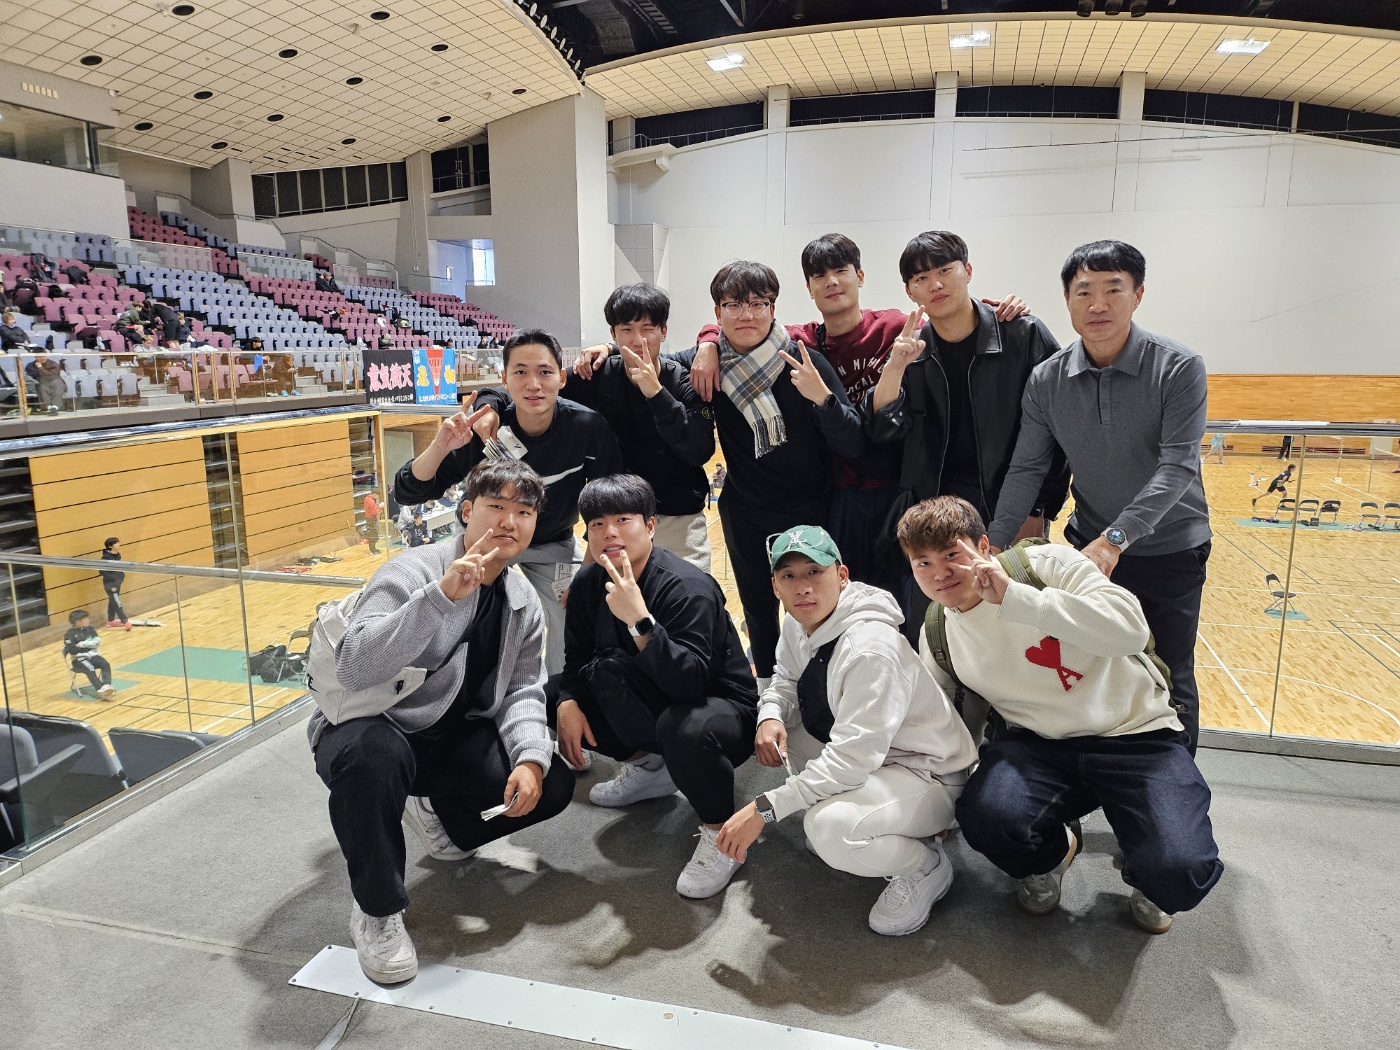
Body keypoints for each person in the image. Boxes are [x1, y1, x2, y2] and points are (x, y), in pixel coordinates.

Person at [901, 495, 1223, 934]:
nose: (940, 573)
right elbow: (952, 725)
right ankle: (1054, 854)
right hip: (1038, 746)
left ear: (983, 546)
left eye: (951, 555)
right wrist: (939, 799)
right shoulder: (937, 630)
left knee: (1179, 869)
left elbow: (1131, 629)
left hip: (1136, 734)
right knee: (985, 819)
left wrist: (1017, 598)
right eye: (923, 563)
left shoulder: (1044, 564)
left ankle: (1151, 875)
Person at [309, 459, 576, 985]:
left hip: (449, 735)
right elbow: (356, 665)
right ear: (466, 511)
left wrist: (529, 759)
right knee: (375, 760)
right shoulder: (411, 571)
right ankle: (377, 911)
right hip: (374, 726)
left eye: (524, 512)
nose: (510, 521)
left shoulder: (522, 599)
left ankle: (438, 814)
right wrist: (439, 599)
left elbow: (523, 688)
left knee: (553, 782)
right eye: (496, 506)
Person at [988, 240, 1212, 752]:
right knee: (1096, 668)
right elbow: (1027, 467)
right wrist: (994, 542)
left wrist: (1116, 539)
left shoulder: (1178, 367)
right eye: (1084, 291)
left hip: (1169, 550)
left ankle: (1174, 780)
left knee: (1169, 672)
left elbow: (1178, 466)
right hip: (1089, 551)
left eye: (1114, 289)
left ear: (1138, 295)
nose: (1098, 305)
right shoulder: (1047, 379)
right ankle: (1103, 777)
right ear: (1067, 299)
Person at [715, 525, 977, 935]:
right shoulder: (801, 619)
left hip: (927, 773)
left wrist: (765, 807)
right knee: (788, 728)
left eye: (814, 571)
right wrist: (770, 715)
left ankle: (925, 866)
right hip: (876, 758)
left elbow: (850, 760)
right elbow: (785, 678)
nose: (803, 587)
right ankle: (878, 820)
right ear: (775, 586)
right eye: (789, 576)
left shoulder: (870, 648)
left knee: (829, 830)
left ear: (841, 576)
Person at [554, 475, 758, 898]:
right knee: (553, 696)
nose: (609, 533)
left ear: (649, 526)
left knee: (684, 728)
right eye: (596, 524)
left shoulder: (688, 587)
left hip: (721, 710)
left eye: (622, 520)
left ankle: (721, 835)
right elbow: (576, 659)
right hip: (652, 696)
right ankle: (652, 770)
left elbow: (689, 684)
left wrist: (639, 620)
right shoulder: (589, 583)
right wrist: (569, 700)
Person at [866, 230, 1070, 640]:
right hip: (937, 510)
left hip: (1009, 502)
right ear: (909, 291)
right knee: (940, 625)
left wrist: (1038, 509)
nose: (936, 284)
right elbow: (884, 429)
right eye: (921, 278)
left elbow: (1057, 430)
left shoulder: (1023, 334)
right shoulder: (913, 350)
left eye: (945, 270)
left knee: (1017, 625)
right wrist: (895, 366)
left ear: (968, 271)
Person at [396, 328, 624, 676]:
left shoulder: (587, 427)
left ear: (562, 379)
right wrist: (441, 445)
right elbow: (409, 491)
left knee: (575, 611)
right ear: (504, 379)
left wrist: (587, 574)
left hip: (552, 543)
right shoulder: (482, 429)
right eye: (520, 372)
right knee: (464, 614)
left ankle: (561, 693)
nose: (533, 384)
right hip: (483, 542)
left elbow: (606, 505)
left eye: (544, 372)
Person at [688, 260, 865, 691]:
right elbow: (648, 358)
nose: (746, 315)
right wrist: (601, 351)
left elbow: (855, 442)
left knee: (819, 607)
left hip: (811, 510)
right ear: (718, 312)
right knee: (757, 610)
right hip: (746, 513)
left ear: (773, 308)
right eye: (733, 305)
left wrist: (822, 400)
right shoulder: (709, 366)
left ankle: (826, 693)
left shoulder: (805, 361)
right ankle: (769, 697)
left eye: (757, 304)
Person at [472, 284, 715, 571]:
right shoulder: (597, 375)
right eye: (626, 329)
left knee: (690, 594)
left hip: (678, 520)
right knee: (612, 598)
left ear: (663, 331)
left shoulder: (686, 382)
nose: (638, 340)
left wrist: (656, 394)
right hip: (615, 519)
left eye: (648, 329)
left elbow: (699, 450)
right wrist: (488, 405)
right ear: (613, 334)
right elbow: (539, 385)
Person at [63, 610, 115, 698]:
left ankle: (107, 686)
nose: (88, 620)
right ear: (78, 621)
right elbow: (72, 650)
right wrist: (89, 645)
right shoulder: (69, 634)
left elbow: (97, 642)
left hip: (93, 655)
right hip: (79, 659)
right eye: (85, 619)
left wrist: (82, 644)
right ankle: (101, 689)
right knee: (90, 668)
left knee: (105, 664)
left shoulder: (90, 629)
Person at [100, 538, 131, 629]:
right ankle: (125, 621)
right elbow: (102, 571)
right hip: (110, 584)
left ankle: (110, 621)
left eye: (118, 542)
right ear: (110, 546)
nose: (118, 544)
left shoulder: (117, 555)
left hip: (117, 582)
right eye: (116, 543)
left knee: (112, 601)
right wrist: (113, 579)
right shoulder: (105, 558)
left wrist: (121, 576)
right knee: (117, 602)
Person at [362, 491, 382, 555]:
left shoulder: (366, 498)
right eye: (376, 496)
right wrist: (380, 507)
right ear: (375, 494)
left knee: (372, 533)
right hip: (372, 519)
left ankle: (373, 548)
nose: (376, 497)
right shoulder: (371, 501)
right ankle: (373, 550)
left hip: (368, 518)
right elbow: (374, 512)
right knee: (373, 534)